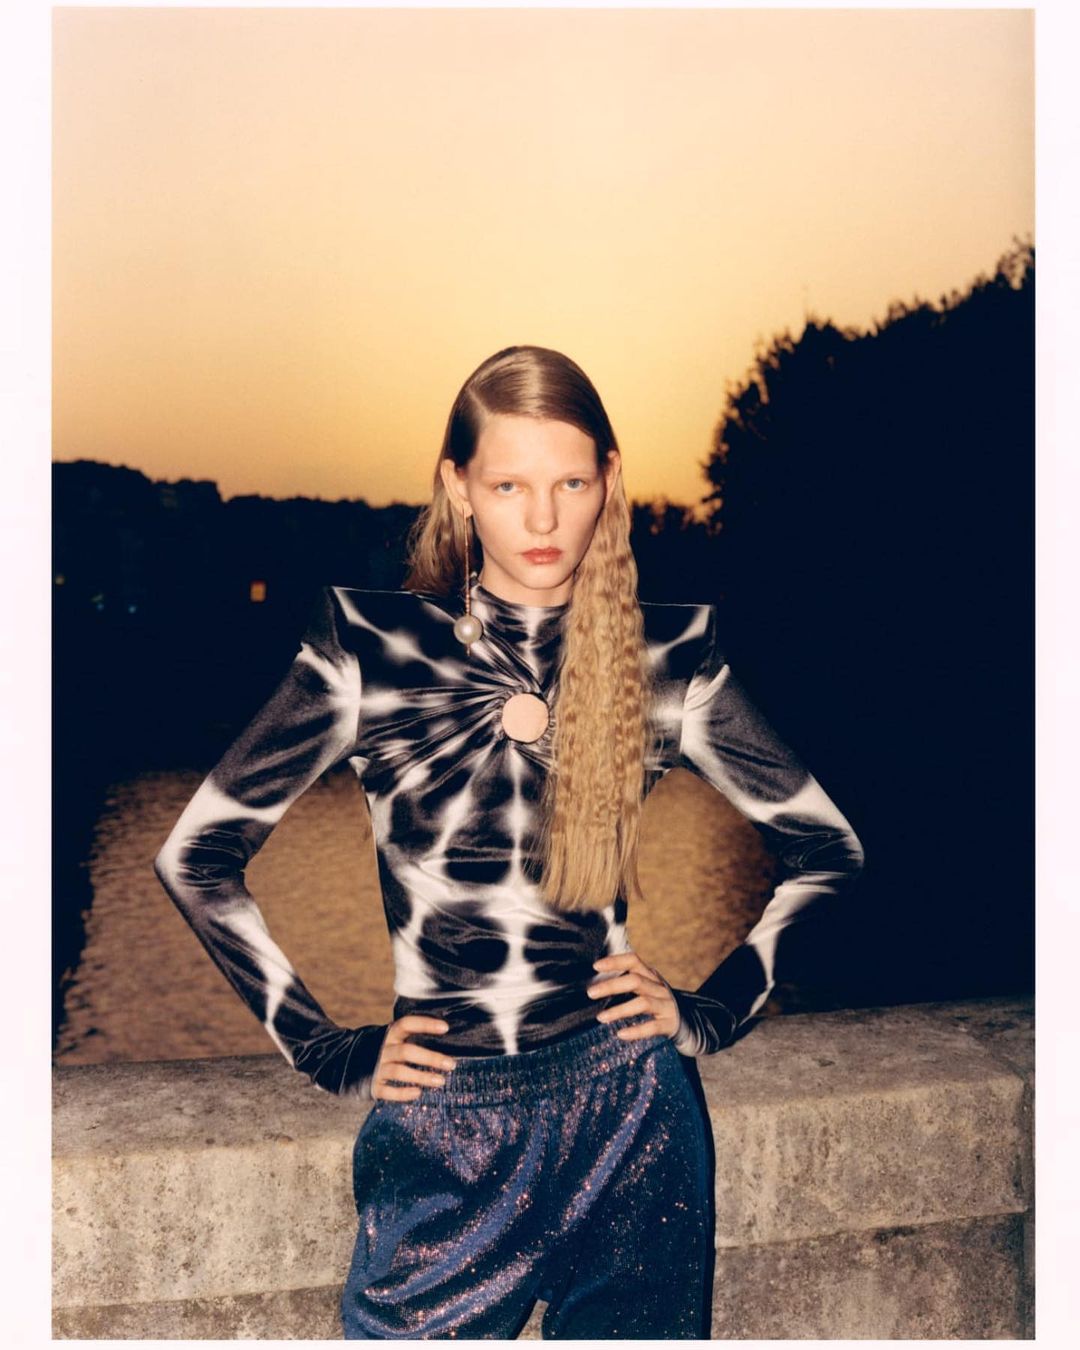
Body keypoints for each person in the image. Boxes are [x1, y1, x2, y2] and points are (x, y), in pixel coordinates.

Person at [153, 344, 865, 1340]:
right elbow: (195, 857)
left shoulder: (664, 660)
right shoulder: (375, 653)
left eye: (570, 482)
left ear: (609, 480)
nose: (542, 520)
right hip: (444, 1126)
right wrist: (328, 1049)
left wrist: (709, 1012)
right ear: (457, 487)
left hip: (634, 1118)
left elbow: (827, 851)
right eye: (508, 486)